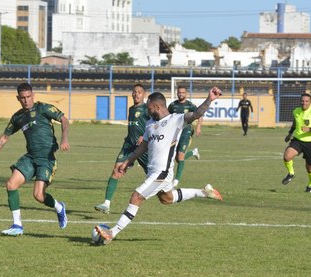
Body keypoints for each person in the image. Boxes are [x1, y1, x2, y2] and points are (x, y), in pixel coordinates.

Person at [94, 87, 224, 244]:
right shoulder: (150, 123)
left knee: (136, 197)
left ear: (157, 106)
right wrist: (128, 161)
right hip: (153, 172)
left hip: (162, 173)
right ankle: (203, 192)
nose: (147, 111)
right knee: (167, 199)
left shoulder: (176, 120)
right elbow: (144, 146)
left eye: (149, 108)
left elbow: (196, 114)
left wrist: (210, 98)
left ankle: (111, 233)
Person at [0, 82, 70, 236]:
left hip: (46, 158)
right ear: (18, 98)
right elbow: (4, 138)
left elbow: (64, 119)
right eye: (22, 98)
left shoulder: (43, 108)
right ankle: (17, 225)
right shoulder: (18, 117)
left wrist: (64, 138)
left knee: (38, 195)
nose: (26, 100)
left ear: (33, 95)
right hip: (30, 157)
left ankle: (59, 207)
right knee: (10, 184)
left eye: (29, 97)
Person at [94, 83, 150, 214]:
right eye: (134, 92)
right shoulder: (131, 109)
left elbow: (155, 124)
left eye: (139, 92)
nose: (136, 94)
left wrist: (144, 135)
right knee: (116, 170)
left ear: (144, 94)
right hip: (128, 146)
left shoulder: (147, 109)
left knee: (154, 179)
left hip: (143, 148)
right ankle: (106, 204)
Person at [282, 93, 311, 193]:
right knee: (287, 156)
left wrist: (309, 129)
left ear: (310, 102)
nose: (304, 103)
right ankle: (291, 173)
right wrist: (289, 134)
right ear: (300, 101)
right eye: (302, 101)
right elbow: (295, 123)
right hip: (297, 140)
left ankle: (310, 185)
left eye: (306, 101)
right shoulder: (296, 111)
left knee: (310, 168)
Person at [167, 85, 201, 188]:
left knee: (180, 156)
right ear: (177, 93)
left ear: (186, 94)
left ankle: (176, 181)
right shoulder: (172, 105)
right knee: (177, 158)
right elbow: (168, 117)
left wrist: (198, 127)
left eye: (182, 92)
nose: (180, 94)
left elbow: (200, 115)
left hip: (186, 132)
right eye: (179, 92)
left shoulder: (190, 105)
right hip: (175, 132)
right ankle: (193, 152)